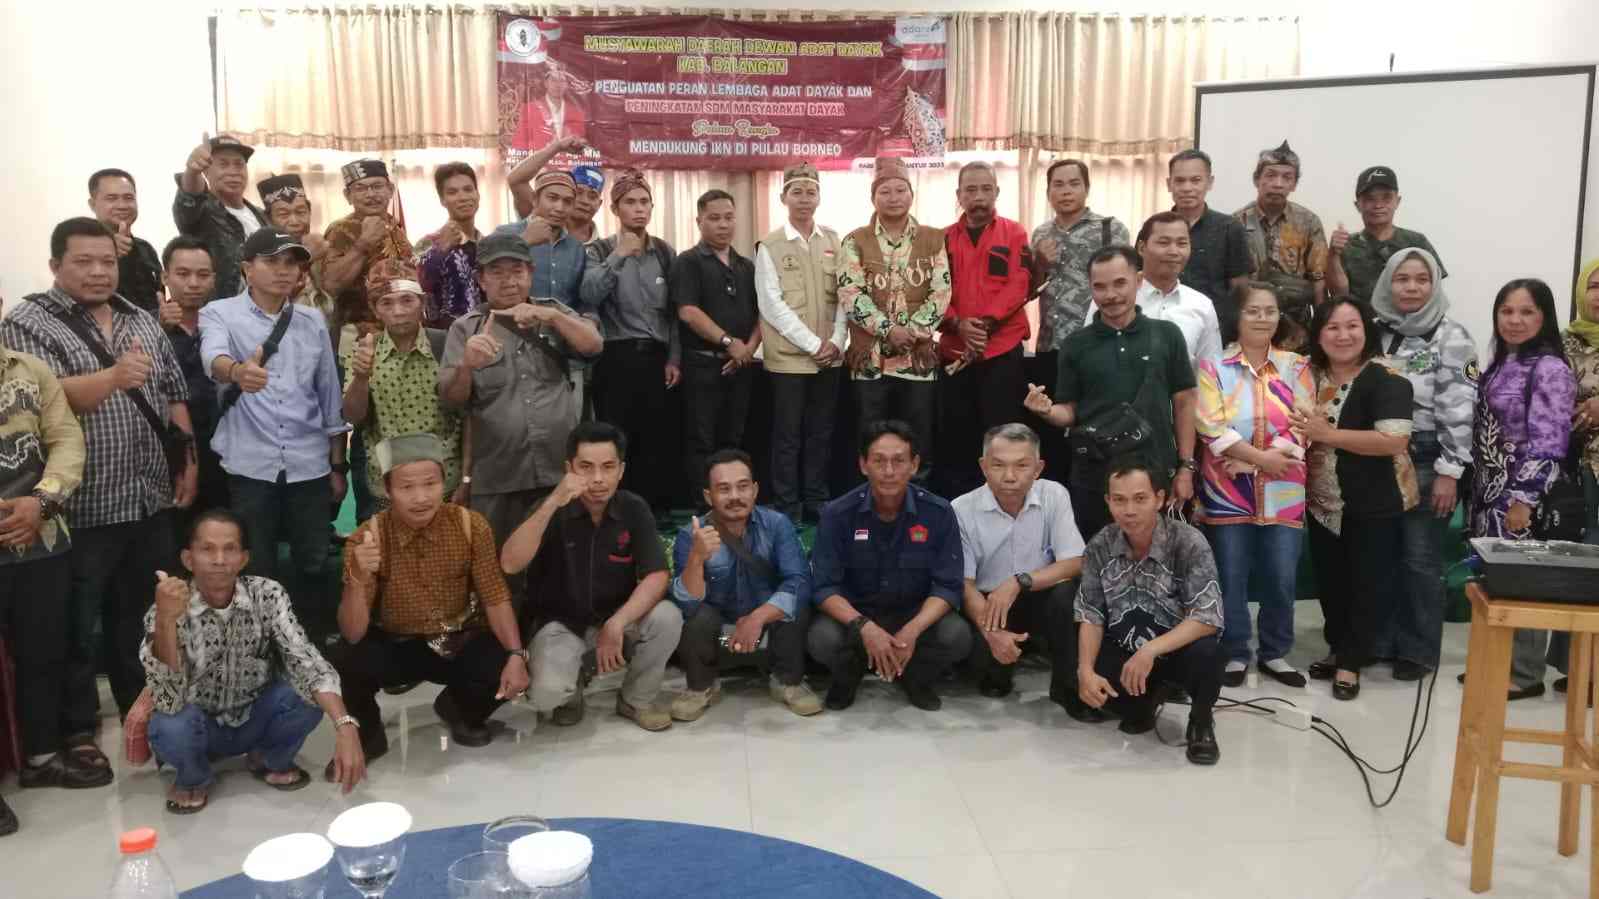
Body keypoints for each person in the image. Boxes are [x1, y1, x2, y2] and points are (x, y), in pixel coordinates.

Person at [0, 217, 196, 770]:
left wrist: (187, 460)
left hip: (147, 496)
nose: (98, 271)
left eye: (107, 261)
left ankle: (147, 711)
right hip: (80, 504)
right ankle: (78, 729)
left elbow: (172, 392)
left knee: (144, 615)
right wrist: (112, 377)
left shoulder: (138, 315)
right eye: (83, 261)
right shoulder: (28, 322)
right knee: (77, 627)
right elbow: (38, 397)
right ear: (55, 265)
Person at [143, 509, 366, 814]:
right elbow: (167, 698)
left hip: (254, 716)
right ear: (188, 559)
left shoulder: (267, 594)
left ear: (244, 558)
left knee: (305, 695)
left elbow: (306, 659)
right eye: (207, 549)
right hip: (200, 724)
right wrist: (166, 621)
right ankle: (193, 776)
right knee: (170, 723)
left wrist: (344, 724)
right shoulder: (167, 605)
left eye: (230, 549)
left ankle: (267, 758)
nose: (219, 559)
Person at [333, 433, 527, 761]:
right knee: (345, 658)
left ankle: (460, 709)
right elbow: (353, 632)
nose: (421, 497)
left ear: (444, 481)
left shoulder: (470, 525)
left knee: (507, 658)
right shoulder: (367, 537)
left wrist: (516, 654)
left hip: (457, 639)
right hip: (396, 643)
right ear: (387, 488)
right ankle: (368, 736)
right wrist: (356, 576)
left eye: (430, 484)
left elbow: (495, 596)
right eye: (407, 487)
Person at [200, 228, 348, 627]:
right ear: (247, 269)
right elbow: (212, 356)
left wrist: (338, 465)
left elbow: (329, 396)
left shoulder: (312, 320)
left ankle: (311, 647)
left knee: (314, 563)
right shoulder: (220, 313)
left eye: (291, 263)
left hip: (309, 464)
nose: (284, 271)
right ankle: (259, 648)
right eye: (271, 261)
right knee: (255, 566)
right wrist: (237, 371)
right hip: (250, 465)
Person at [500, 422, 684, 731]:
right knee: (546, 695)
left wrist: (617, 622)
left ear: (621, 470)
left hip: (616, 616)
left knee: (667, 618)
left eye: (608, 467)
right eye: (586, 467)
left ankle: (636, 699)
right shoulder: (550, 508)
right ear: (568, 468)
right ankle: (571, 691)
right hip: (560, 623)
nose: (598, 478)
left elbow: (657, 575)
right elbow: (509, 563)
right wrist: (552, 503)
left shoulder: (633, 508)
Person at [439, 233, 602, 549]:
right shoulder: (466, 329)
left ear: (530, 273)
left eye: (517, 271)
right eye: (497, 272)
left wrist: (553, 317)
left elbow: (593, 346)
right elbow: (452, 400)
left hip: (559, 469)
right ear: (481, 280)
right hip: (499, 476)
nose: (509, 281)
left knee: (564, 559)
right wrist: (467, 366)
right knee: (498, 561)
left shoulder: (553, 313)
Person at [1024, 246, 1198, 542]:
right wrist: (1046, 411)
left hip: (1155, 473)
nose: (1111, 295)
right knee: (1099, 559)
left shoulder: (1167, 335)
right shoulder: (1075, 344)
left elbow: (1184, 404)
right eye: (1100, 287)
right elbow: (1069, 412)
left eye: (1120, 283)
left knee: (1161, 560)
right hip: (1095, 479)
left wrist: (1186, 468)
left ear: (1138, 281)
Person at [1290, 297, 1416, 701]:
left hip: (1373, 500)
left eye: (1352, 326)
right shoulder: (1307, 375)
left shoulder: (1388, 378)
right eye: (1332, 327)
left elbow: (1393, 440)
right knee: (1331, 582)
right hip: (1321, 501)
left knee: (1368, 584)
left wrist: (1328, 435)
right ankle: (1338, 647)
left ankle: (1351, 662)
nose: (1343, 335)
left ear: (1367, 330)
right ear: (1319, 334)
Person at [0, 299, 90, 833]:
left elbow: (66, 440)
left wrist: (42, 500)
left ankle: (40, 758)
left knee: (43, 653)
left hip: (41, 536)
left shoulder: (31, 372)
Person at [1195, 283, 1313, 688]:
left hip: (1284, 491)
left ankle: (1275, 652)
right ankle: (1235, 652)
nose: (1262, 318)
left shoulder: (1296, 367)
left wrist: (1256, 462)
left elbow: (1304, 424)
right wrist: (1263, 461)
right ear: (1238, 316)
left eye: (1270, 311)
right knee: (1231, 575)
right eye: (1253, 311)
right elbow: (1211, 426)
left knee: (1281, 576)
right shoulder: (1214, 367)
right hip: (1227, 492)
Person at [808, 420, 971, 711]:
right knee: (822, 639)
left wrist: (913, 629)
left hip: (912, 614)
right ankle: (852, 672)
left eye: (899, 461)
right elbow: (824, 588)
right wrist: (865, 627)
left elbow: (948, 586)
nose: (889, 471)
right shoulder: (837, 514)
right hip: (857, 616)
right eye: (879, 461)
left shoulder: (938, 512)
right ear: (863, 464)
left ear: (914, 465)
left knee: (956, 636)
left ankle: (914, 676)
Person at [1369, 248, 1476, 681]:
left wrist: (1451, 472)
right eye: (1402, 279)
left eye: (1421, 279)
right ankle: (1380, 641)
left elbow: (1461, 409)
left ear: (1434, 284)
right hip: (1378, 456)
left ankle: (1418, 650)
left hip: (1429, 456)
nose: (1411, 287)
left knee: (1420, 558)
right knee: (1382, 554)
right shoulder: (1375, 332)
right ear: (1387, 284)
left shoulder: (1452, 336)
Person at [1074, 458, 1225, 765]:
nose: (1129, 510)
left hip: (1175, 648)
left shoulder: (1188, 542)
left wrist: (1151, 650)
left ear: (1159, 498)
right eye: (1119, 500)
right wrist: (1085, 670)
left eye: (1140, 499)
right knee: (1115, 703)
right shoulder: (1100, 545)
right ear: (1108, 501)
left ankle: (1201, 720)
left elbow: (1207, 617)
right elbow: (1091, 613)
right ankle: (1149, 696)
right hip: (1126, 647)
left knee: (1209, 653)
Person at [1467, 279, 1577, 701]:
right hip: (1488, 494)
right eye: (1507, 311)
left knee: (1523, 582)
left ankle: (1525, 673)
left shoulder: (1549, 369)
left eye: (1527, 311)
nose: (1515, 320)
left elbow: (1550, 443)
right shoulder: (1500, 363)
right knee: (1494, 583)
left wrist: (1523, 501)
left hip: (1519, 498)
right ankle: (1496, 664)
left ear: (1544, 317)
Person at [670, 449, 822, 719]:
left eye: (742, 487)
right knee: (696, 615)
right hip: (718, 629)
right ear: (708, 496)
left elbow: (799, 581)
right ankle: (701, 687)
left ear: (755, 490)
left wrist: (757, 618)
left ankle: (788, 682)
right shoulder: (690, 535)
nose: (735, 496)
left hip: (767, 623)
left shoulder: (777, 525)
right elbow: (688, 603)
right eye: (724, 489)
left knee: (794, 601)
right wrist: (696, 557)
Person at [953, 424, 1089, 710]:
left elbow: (1075, 561)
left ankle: (1067, 688)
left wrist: (1019, 581)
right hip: (989, 605)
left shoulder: (1054, 495)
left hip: (1039, 595)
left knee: (1068, 596)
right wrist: (991, 632)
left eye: (1022, 465)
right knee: (990, 678)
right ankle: (998, 665)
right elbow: (964, 585)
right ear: (983, 466)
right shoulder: (961, 509)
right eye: (998, 465)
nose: (1010, 476)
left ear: (1038, 468)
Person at [838, 158, 952, 484]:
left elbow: (941, 292)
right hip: (870, 361)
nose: (893, 197)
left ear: (911, 194)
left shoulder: (933, 238)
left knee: (919, 438)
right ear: (873, 197)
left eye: (900, 190)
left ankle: (918, 498)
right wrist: (889, 331)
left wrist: (911, 333)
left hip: (916, 360)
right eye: (884, 191)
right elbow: (850, 293)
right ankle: (869, 499)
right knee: (869, 438)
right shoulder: (855, 240)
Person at [580, 170, 680, 521]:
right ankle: (618, 508)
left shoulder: (664, 252)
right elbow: (589, 294)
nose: (639, 209)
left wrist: (674, 358)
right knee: (617, 437)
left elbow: (675, 313)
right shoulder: (599, 250)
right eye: (630, 202)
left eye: (644, 202)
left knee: (656, 436)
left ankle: (655, 510)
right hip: (616, 357)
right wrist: (618, 256)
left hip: (657, 357)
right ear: (615, 208)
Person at [755, 162, 845, 522]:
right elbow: (771, 305)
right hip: (789, 359)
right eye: (797, 192)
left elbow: (845, 297)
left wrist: (836, 341)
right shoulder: (770, 245)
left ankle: (816, 500)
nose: (804, 199)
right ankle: (787, 505)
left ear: (819, 197)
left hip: (830, 356)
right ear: (784, 198)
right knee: (788, 436)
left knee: (821, 433)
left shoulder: (834, 241)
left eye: (811, 192)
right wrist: (814, 344)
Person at [938, 161, 1034, 498]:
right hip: (955, 351)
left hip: (1002, 350)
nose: (978, 196)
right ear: (959, 195)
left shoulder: (1015, 233)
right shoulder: (941, 239)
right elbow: (932, 291)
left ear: (996, 192)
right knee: (957, 437)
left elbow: (1020, 283)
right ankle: (959, 509)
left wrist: (984, 325)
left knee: (1004, 437)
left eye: (985, 189)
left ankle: (1006, 501)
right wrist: (958, 324)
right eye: (970, 190)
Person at [1030, 159, 1129, 485]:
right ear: (1048, 191)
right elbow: (1030, 290)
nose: (1066, 191)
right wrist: (1039, 264)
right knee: (1052, 436)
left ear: (1086, 188)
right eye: (1058, 184)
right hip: (1051, 346)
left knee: (1096, 432)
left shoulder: (1110, 229)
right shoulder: (1041, 233)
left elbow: (1125, 285)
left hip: (1097, 346)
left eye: (1074, 183)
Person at [342, 259, 463, 512]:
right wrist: (361, 377)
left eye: (407, 300)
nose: (398, 311)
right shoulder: (364, 350)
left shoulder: (445, 345)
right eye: (387, 303)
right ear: (375, 310)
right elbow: (353, 416)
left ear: (422, 303)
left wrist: (467, 478)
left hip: (444, 485)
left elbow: (468, 415)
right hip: (386, 487)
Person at [674, 189, 761, 494]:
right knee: (702, 441)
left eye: (728, 217)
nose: (723, 224)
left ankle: (734, 498)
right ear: (699, 221)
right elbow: (687, 311)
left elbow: (762, 314)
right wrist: (728, 342)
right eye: (714, 218)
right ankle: (706, 503)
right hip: (702, 366)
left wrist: (747, 349)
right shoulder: (688, 261)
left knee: (735, 439)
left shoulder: (746, 266)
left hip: (741, 366)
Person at [1553, 258, 1599, 694]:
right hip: (1571, 465)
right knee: (1578, 561)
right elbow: (1547, 390)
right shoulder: (1564, 340)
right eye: (1595, 285)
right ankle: (1575, 666)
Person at [1233, 141, 1329, 348]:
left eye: (1287, 177)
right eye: (1271, 175)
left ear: (1294, 184)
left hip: (1297, 329)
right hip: (1251, 322)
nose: (1278, 184)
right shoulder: (1236, 223)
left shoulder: (1308, 222)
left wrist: (1321, 327)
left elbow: (1318, 280)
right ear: (1257, 179)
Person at [160, 237, 229, 525]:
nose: (193, 283)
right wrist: (159, 328)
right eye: (183, 273)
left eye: (202, 275)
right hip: (172, 453)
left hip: (225, 449)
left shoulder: (226, 324)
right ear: (165, 277)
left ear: (214, 278)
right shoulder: (144, 325)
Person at [316, 159, 413, 342]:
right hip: (358, 335)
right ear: (348, 195)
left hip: (399, 330)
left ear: (390, 190)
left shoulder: (395, 226)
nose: (371, 194)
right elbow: (330, 285)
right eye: (360, 188)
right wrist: (363, 244)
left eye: (377, 186)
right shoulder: (340, 230)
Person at [1326, 166, 1447, 304]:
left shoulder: (1417, 242)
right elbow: (1338, 296)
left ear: (1397, 201)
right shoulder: (1345, 245)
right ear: (1357, 205)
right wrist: (1333, 255)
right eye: (1370, 198)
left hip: (1408, 318)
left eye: (1386, 197)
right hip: (1363, 317)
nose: (1378, 205)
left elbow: (1435, 291)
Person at [1166, 149, 1252, 342]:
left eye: (1196, 180)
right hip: (1165, 329)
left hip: (1217, 332)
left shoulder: (1230, 228)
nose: (1187, 188)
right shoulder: (1155, 228)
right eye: (1180, 181)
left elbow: (1240, 289)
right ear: (1169, 184)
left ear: (1210, 182)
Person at [173, 134, 267, 300]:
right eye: (223, 164)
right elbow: (190, 197)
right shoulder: (201, 212)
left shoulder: (261, 215)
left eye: (239, 165)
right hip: (220, 309)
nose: (233, 172)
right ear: (206, 171)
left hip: (265, 309)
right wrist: (192, 172)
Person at [1125, 211, 1223, 364]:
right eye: (1164, 243)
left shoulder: (1202, 305)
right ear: (1142, 248)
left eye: (1182, 244)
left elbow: (1210, 369)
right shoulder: (1116, 297)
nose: (1174, 252)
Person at [493, 170, 588, 310]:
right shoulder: (504, 233)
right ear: (535, 199)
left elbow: (581, 298)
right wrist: (525, 241)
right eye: (552, 198)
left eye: (567, 202)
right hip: (514, 321)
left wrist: (589, 316)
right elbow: (489, 277)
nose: (560, 208)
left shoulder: (576, 248)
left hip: (562, 323)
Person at [257, 174, 336, 335]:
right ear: (268, 219)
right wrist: (307, 258)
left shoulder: (321, 246)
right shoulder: (261, 256)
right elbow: (269, 302)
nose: (294, 221)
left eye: (301, 212)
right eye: (284, 214)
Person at [416, 162, 486, 329]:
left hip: (487, 333)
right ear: (442, 200)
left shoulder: (487, 243)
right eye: (452, 192)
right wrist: (439, 251)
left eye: (468, 189)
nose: (463, 197)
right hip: (445, 336)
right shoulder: (428, 243)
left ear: (477, 194)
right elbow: (416, 289)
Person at [88, 168, 163, 315]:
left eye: (128, 198)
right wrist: (106, 254)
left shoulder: (145, 248)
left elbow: (161, 295)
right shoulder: (80, 248)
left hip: (152, 327)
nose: (122, 205)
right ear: (92, 204)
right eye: (112, 198)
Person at [511, 63, 588, 151]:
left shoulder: (577, 113)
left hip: (567, 158)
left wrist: (579, 142)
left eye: (562, 81)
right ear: (546, 83)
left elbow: (581, 143)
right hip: (540, 158)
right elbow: (518, 143)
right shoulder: (529, 109)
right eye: (553, 80)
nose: (558, 85)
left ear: (566, 85)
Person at [565, 165, 605, 245]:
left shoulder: (604, 249)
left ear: (599, 204)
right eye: (578, 193)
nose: (585, 201)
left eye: (592, 196)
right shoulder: (546, 238)